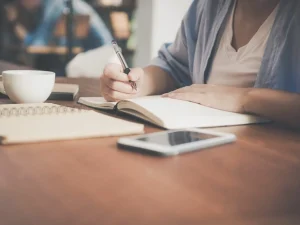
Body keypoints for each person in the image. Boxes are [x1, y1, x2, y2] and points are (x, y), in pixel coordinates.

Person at [100, 0, 300, 129]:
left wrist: (243, 99)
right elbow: (175, 68)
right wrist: (140, 82)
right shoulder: (207, 6)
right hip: (203, 148)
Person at [4, 0, 112, 51]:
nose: (22, 3)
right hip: (96, 52)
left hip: (101, 54)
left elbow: (38, 43)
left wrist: (14, 23)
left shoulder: (54, 4)